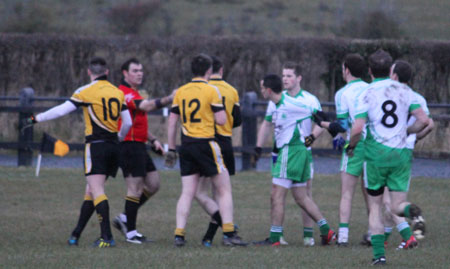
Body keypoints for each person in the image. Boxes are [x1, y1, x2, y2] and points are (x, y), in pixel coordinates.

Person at [22, 57, 132, 248]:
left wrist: (34, 119)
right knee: (91, 190)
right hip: (114, 146)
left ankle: (106, 237)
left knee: (96, 190)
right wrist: (120, 137)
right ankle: (75, 235)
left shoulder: (85, 91)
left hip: (96, 145)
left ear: (89, 72)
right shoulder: (117, 92)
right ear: (107, 72)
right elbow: (128, 122)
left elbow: (60, 111)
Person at [347, 50, 429, 265]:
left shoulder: (366, 93)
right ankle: (412, 211)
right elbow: (424, 120)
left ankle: (379, 256)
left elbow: (357, 129)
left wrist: (351, 147)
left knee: (375, 206)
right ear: (390, 69)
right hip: (400, 155)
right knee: (397, 205)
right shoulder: (405, 90)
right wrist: (408, 132)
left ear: (370, 71)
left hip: (376, 156)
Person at [165, 53, 247, 247]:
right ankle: (229, 233)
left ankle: (179, 235)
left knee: (187, 192)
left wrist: (171, 148)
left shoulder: (181, 91)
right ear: (209, 71)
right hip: (206, 144)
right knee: (224, 189)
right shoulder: (211, 91)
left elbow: (172, 122)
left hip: (186, 146)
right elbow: (221, 120)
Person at [253, 74, 335, 246]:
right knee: (301, 197)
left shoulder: (288, 103)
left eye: (262, 88)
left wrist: (332, 127)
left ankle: (275, 239)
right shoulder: (277, 104)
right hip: (299, 152)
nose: (261, 91)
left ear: (268, 90)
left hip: (291, 151)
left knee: (277, 194)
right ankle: (327, 231)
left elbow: (317, 114)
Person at [112, 58, 175, 244]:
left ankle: (124, 218)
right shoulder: (124, 93)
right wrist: (171, 98)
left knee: (153, 184)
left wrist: (153, 139)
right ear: (125, 73)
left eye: (141, 70)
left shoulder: (134, 92)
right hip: (128, 146)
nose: (140, 73)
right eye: (135, 70)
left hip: (139, 145)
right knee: (134, 189)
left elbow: (137, 122)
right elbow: (146, 106)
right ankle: (131, 233)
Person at [313, 54, 371, 246]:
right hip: (375, 144)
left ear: (346, 70)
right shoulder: (372, 88)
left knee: (347, 192)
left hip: (356, 143)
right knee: (371, 192)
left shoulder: (342, 93)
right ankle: (374, 232)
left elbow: (344, 125)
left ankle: (343, 236)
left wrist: (323, 122)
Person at [382, 60, 434, 249]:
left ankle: (408, 237)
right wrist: (413, 136)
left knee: (389, 201)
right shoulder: (417, 97)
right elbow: (429, 124)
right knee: (392, 200)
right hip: (406, 153)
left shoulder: (389, 96)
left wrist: (405, 132)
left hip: (389, 150)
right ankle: (384, 238)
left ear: (394, 76)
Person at [193, 56, 242, 247]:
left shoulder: (200, 90)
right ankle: (214, 235)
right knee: (222, 192)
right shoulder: (231, 91)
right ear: (221, 71)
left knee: (201, 192)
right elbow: (237, 120)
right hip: (226, 142)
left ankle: (222, 232)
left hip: (206, 142)